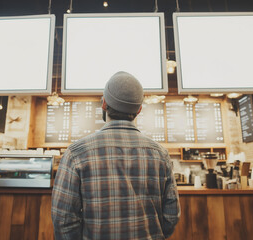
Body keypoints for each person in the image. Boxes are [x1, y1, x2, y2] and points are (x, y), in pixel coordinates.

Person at [52, 71, 181, 240]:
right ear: (139, 110)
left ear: (104, 104)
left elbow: (63, 219)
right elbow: (171, 214)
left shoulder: (76, 153)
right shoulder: (160, 154)